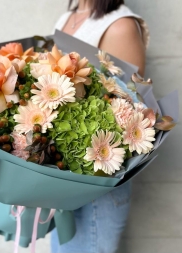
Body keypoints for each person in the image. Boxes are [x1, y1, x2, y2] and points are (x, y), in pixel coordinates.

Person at [50, 1, 149, 253]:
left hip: (97, 187)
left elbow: (130, 115)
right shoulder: (69, 17)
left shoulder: (119, 26)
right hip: (63, 179)